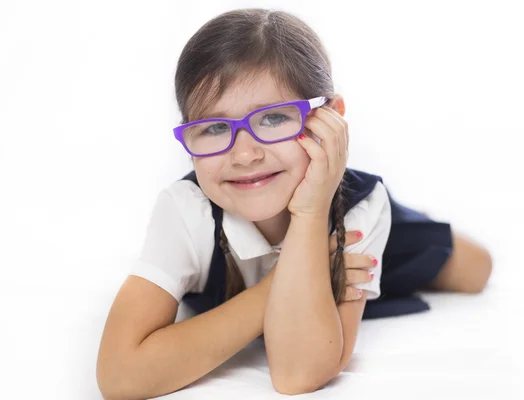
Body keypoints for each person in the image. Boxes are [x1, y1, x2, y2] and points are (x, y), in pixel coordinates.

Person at [96, 8, 493, 399]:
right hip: (321, 248)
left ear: (329, 119)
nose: (245, 154)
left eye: (271, 119)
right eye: (215, 128)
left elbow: (296, 375)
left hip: (342, 213)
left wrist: (312, 210)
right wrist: (278, 285)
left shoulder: (359, 210)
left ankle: (412, 218)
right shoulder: (186, 210)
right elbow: (120, 376)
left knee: (475, 269)